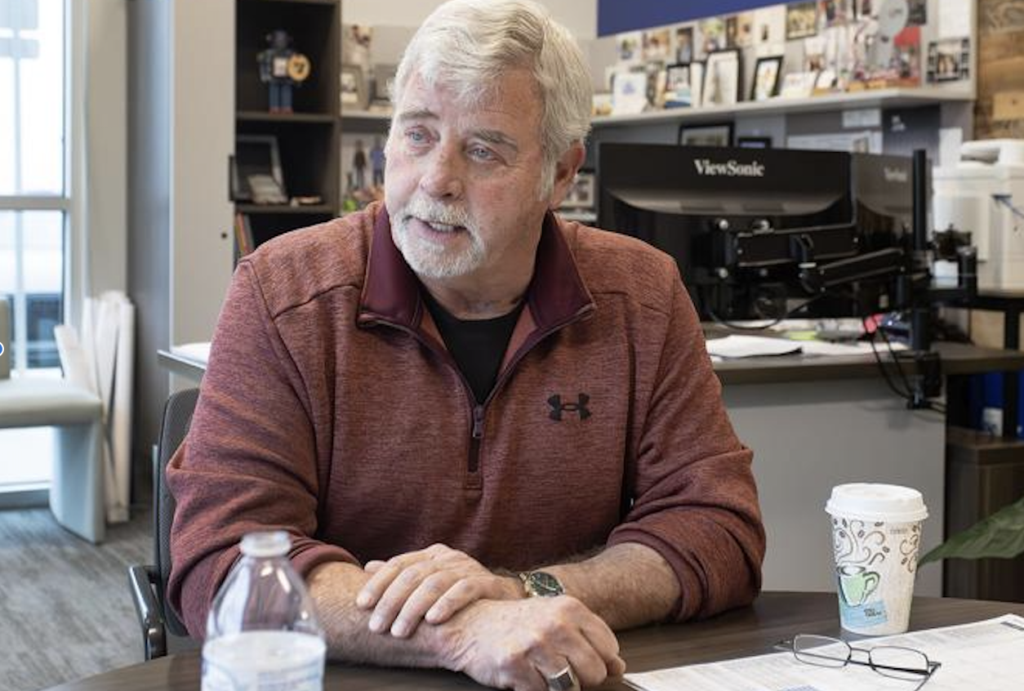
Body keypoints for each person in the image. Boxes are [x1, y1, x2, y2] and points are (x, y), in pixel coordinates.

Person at [167, 2, 765, 690]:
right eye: (417, 135)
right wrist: (460, 629)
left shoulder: (644, 295)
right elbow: (227, 563)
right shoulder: (282, 292)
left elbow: (719, 529)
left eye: (483, 150)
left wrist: (523, 594)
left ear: (561, 175)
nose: (436, 179)